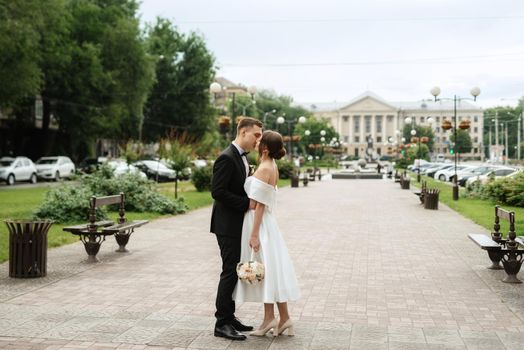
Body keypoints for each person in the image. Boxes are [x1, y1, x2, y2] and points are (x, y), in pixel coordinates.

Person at [233, 130, 301, 337]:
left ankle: (269, 319)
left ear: (264, 148)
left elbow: (257, 205)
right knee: (272, 271)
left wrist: (254, 235)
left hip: (258, 224)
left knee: (265, 272)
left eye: (259, 141)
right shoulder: (272, 166)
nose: (256, 142)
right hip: (267, 224)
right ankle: (284, 318)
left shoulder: (264, 168)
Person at [210, 117, 263, 341]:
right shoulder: (226, 158)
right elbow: (217, 192)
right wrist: (246, 204)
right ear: (242, 132)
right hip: (226, 225)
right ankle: (221, 323)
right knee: (230, 271)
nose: (258, 140)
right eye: (256, 135)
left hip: (236, 224)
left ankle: (229, 317)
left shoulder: (241, 158)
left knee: (233, 269)